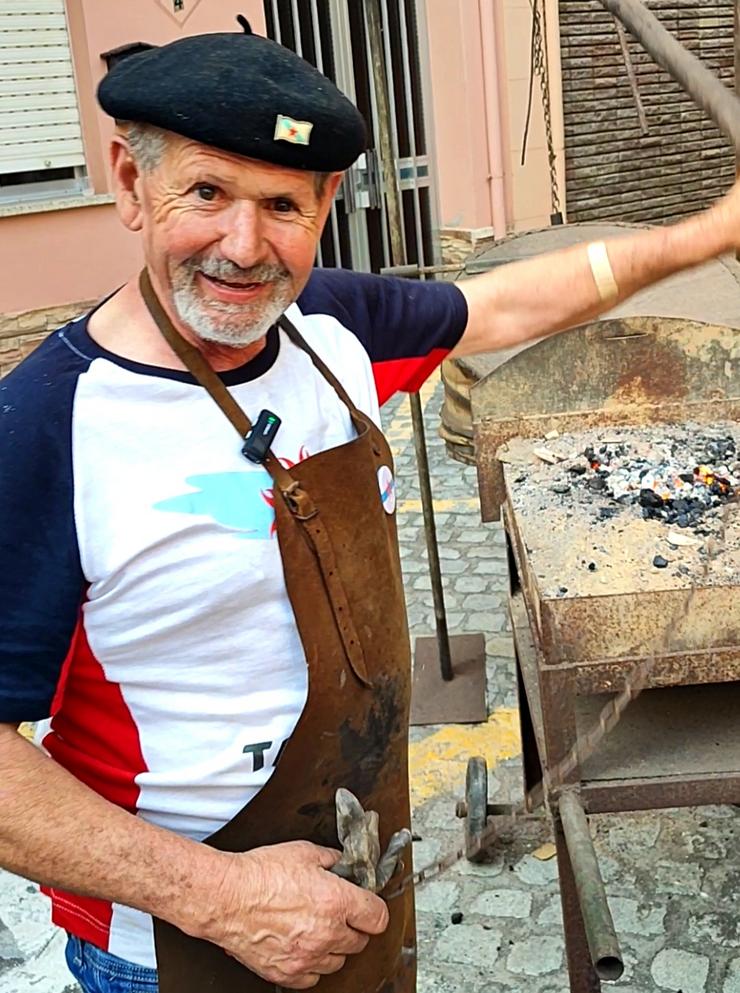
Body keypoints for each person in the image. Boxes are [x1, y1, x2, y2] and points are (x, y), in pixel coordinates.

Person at [1, 18, 740, 993]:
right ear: (133, 186)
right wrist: (219, 899)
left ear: (326, 205)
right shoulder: (45, 428)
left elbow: (507, 306)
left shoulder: (330, 326)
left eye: (282, 206)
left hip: (361, 874)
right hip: (172, 945)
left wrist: (708, 234)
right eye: (207, 193)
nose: (242, 246)